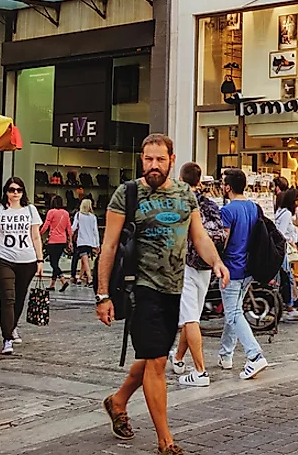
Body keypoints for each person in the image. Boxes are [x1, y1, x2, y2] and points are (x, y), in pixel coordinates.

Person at [96, 135, 230, 455]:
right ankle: (165, 442)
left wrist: (217, 262)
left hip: (174, 287)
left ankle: (117, 401)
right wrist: (102, 295)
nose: (153, 165)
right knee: (156, 361)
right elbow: (109, 246)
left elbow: (198, 236)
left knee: (150, 356)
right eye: (147, 159)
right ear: (141, 159)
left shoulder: (185, 194)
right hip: (141, 289)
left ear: (171, 159)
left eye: (159, 159)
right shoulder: (127, 194)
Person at [170, 162, 227, 388]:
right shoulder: (210, 204)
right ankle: (178, 358)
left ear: (182, 180)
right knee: (191, 315)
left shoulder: (180, 203)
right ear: (199, 180)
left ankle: (200, 372)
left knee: (190, 318)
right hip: (205, 266)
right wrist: (216, 261)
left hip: (185, 265)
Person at [0, 177, 44, 355]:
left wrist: (40, 260)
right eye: (12, 189)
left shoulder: (30, 210)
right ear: (6, 191)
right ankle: (7, 338)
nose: (15, 193)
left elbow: (36, 237)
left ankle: (12, 326)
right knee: (7, 298)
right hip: (2, 258)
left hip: (27, 260)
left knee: (20, 297)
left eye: (19, 190)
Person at [215, 168, 269, 380]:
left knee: (234, 313)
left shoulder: (228, 211)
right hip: (248, 267)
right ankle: (226, 354)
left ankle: (254, 355)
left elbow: (224, 240)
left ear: (227, 187)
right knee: (234, 310)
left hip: (231, 267)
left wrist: (216, 261)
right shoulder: (253, 207)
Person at [273, 187, 298, 322]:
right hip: (284, 248)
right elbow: (281, 232)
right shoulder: (286, 214)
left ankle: (288, 305)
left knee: (286, 276)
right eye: (297, 199)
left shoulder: (281, 212)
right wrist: (290, 241)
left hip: (281, 248)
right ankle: (289, 306)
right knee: (287, 276)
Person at [41, 196, 72, 292]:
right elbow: (69, 228)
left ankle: (63, 280)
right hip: (62, 241)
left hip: (53, 240)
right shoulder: (66, 213)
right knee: (56, 262)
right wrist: (70, 241)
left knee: (52, 263)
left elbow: (46, 225)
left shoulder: (51, 212)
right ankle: (52, 284)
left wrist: (39, 233)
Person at [70, 199, 100, 286]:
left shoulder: (79, 215)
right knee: (85, 260)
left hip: (81, 240)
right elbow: (95, 231)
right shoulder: (93, 217)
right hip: (90, 241)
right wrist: (97, 244)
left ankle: (90, 278)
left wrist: (69, 236)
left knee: (85, 260)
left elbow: (74, 227)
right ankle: (79, 278)